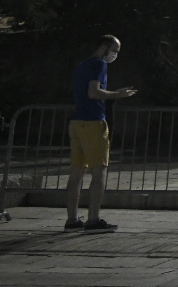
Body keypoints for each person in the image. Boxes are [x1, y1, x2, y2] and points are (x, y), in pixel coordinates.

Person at [65, 35, 137, 231]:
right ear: (105, 47)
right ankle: (93, 219)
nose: (115, 55)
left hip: (77, 121)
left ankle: (72, 219)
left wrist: (113, 92)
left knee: (76, 173)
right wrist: (117, 95)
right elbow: (94, 92)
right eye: (114, 50)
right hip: (93, 122)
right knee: (99, 171)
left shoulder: (82, 65)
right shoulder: (99, 65)